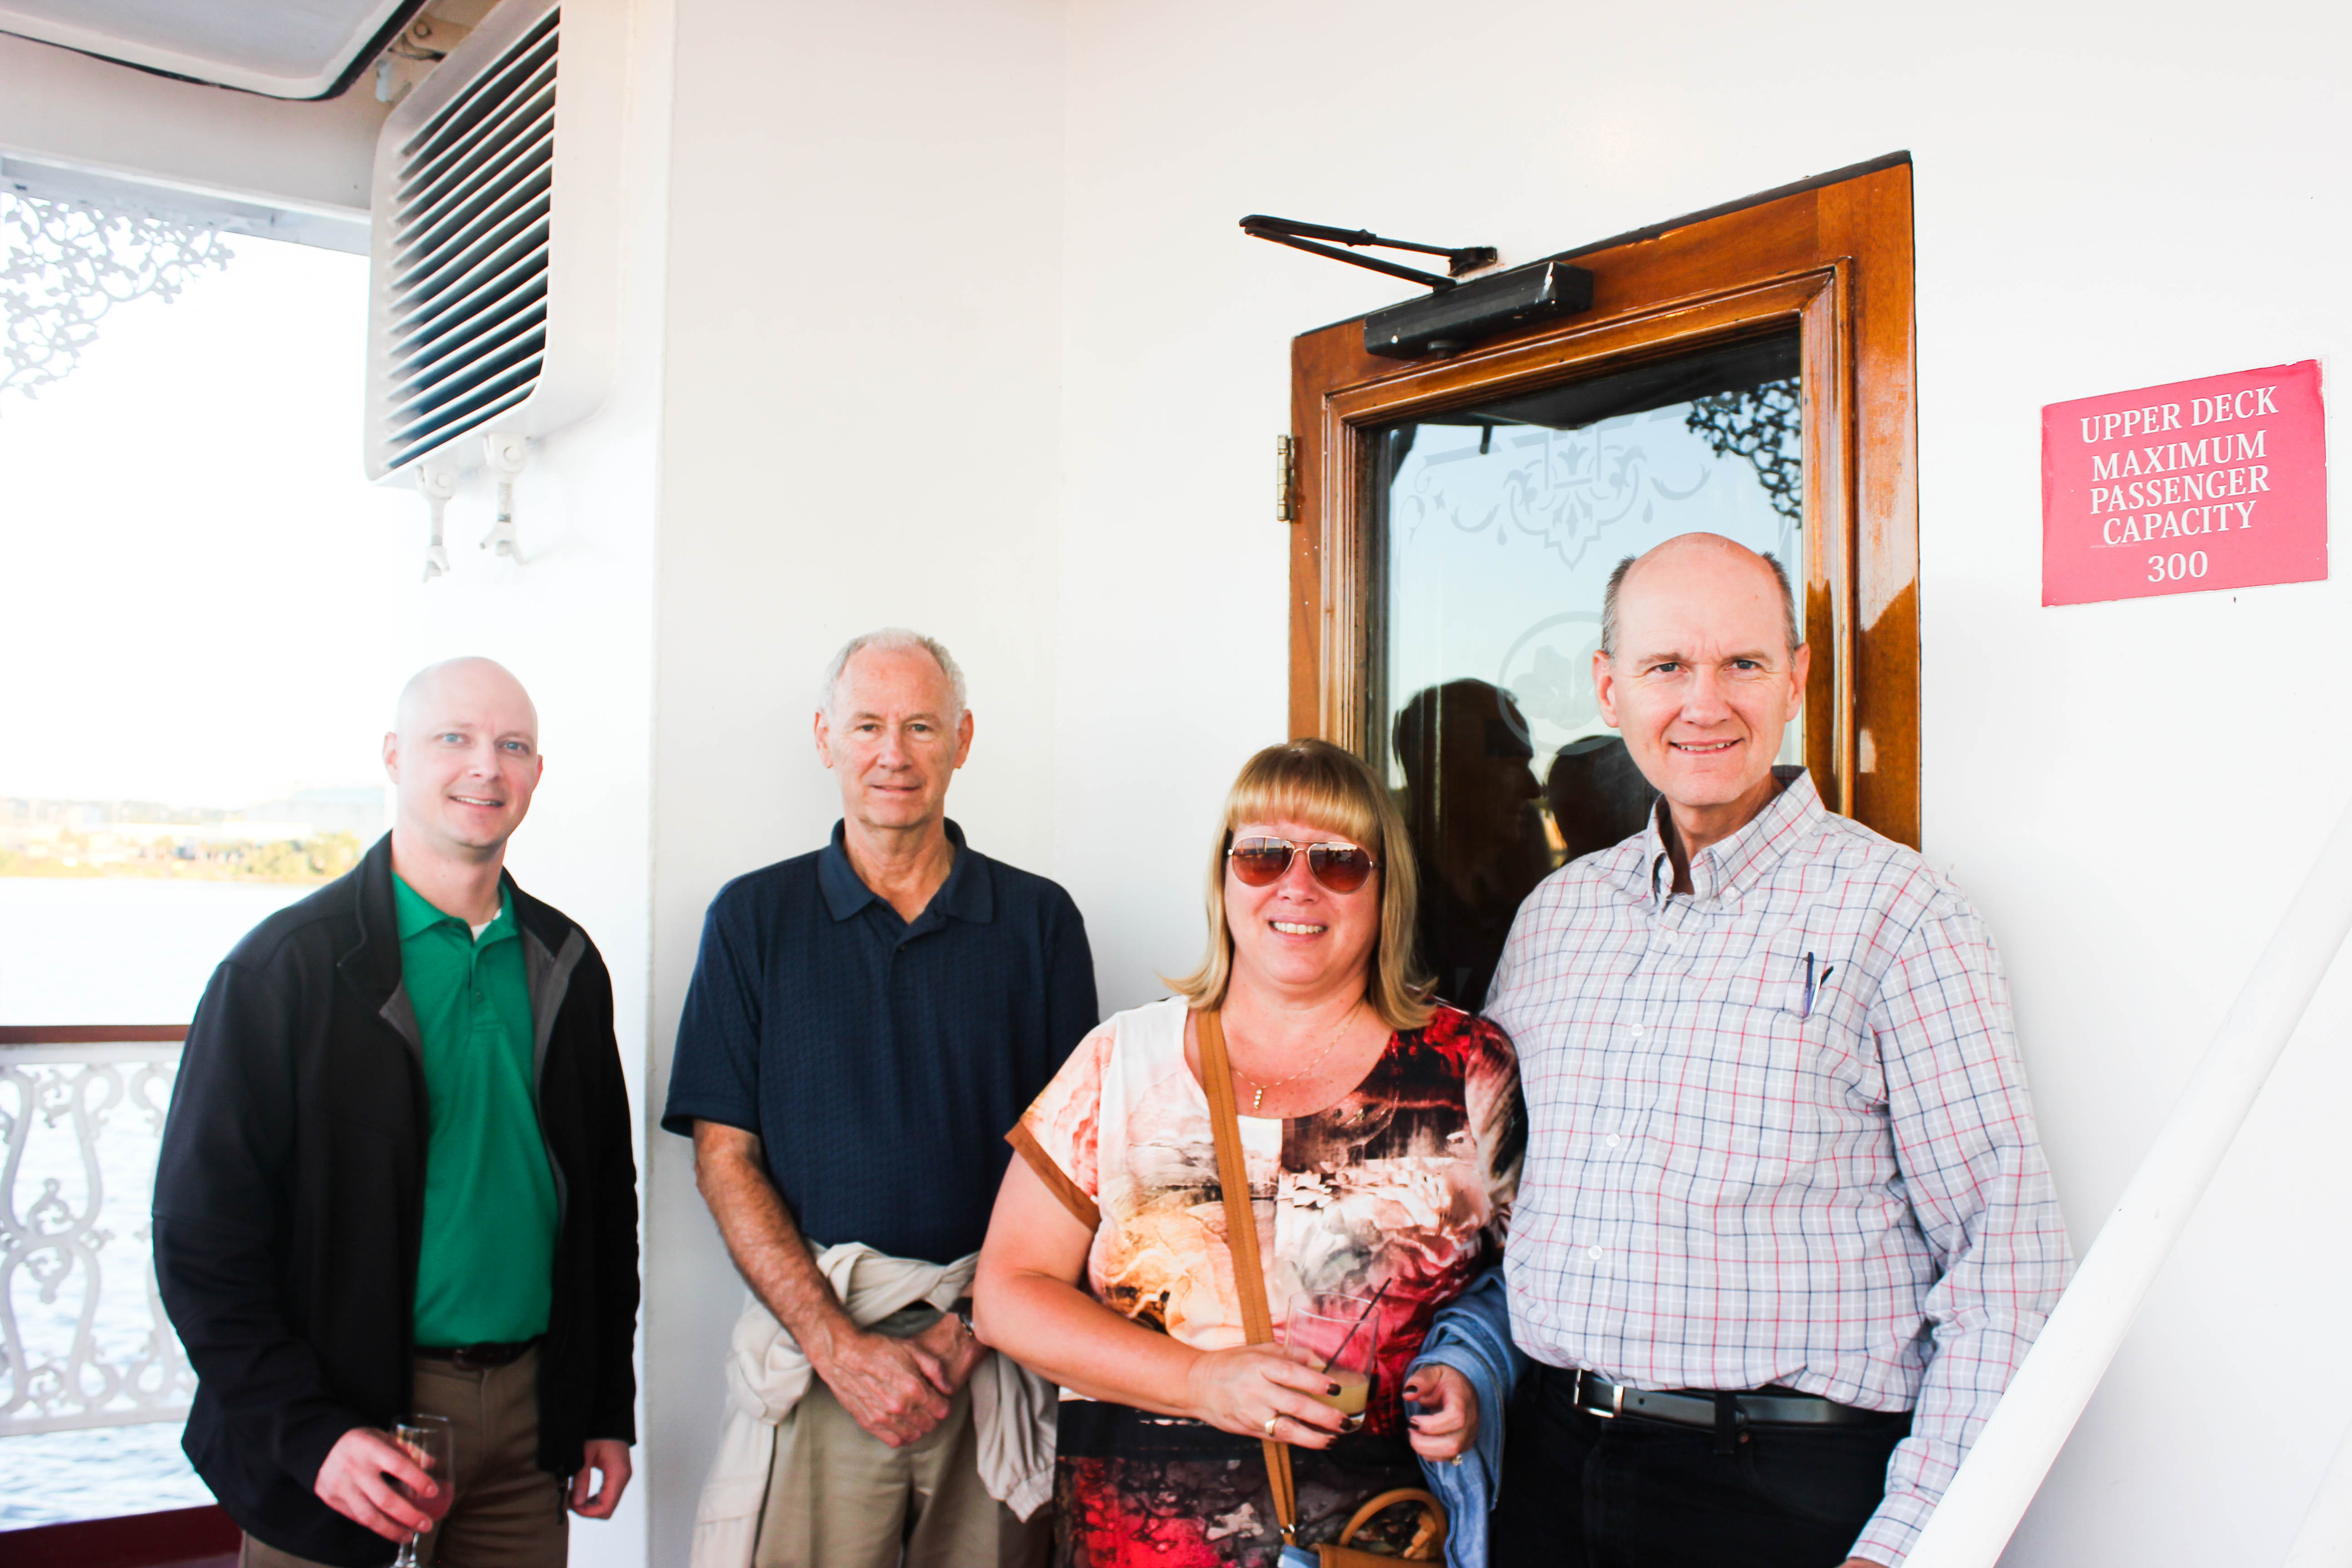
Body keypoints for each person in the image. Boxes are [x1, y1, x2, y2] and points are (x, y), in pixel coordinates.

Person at [1476, 533, 2071, 1567]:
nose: (1703, 703)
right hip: (1545, 1468)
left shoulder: (1902, 914)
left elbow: (2005, 1257)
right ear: (1609, 689)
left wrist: (1905, 1544)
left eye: (1741, 663)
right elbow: (1497, 1193)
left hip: (1780, 1497)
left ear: (1794, 679)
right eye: (1666, 666)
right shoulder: (1553, 918)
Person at [974, 738, 1525, 1568]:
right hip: (1135, 1545)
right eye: (1263, 854)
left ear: (1386, 889)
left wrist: (1473, 1372)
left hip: (1375, 1540)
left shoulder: (1466, 1069)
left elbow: (1537, 1289)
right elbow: (1006, 1295)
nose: (1296, 886)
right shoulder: (1122, 1059)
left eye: (1338, 861)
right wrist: (1198, 1382)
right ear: (1224, 877)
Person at [154, 658, 639, 1568]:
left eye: (512, 746)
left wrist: (604, 1405)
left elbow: (606, 1207)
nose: (485, 766)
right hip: (348, 1424)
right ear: (393, 757)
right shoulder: (282, 970)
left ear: (537, 772)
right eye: (454, 738)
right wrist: (310, 1434)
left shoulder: (567, 963)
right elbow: (201, 1240)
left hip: (531, 1424)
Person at [663, 628, 1097, 1568]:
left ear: (962, 740)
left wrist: (969, 1330)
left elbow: (1075, 1168)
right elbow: (723, 1159)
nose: (892, 754)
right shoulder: (751, 919)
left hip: (990, 1353)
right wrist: (837, 1349)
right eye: (867, 726)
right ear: (826, 738)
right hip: (820, 1352)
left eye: (920, 727)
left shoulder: (1040, 922)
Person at [1392, 681, 1554, 1012]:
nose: (1534, 788)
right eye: (1513, 764)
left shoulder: (1515, 901)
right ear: (1444, 769)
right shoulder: (1391, 908)